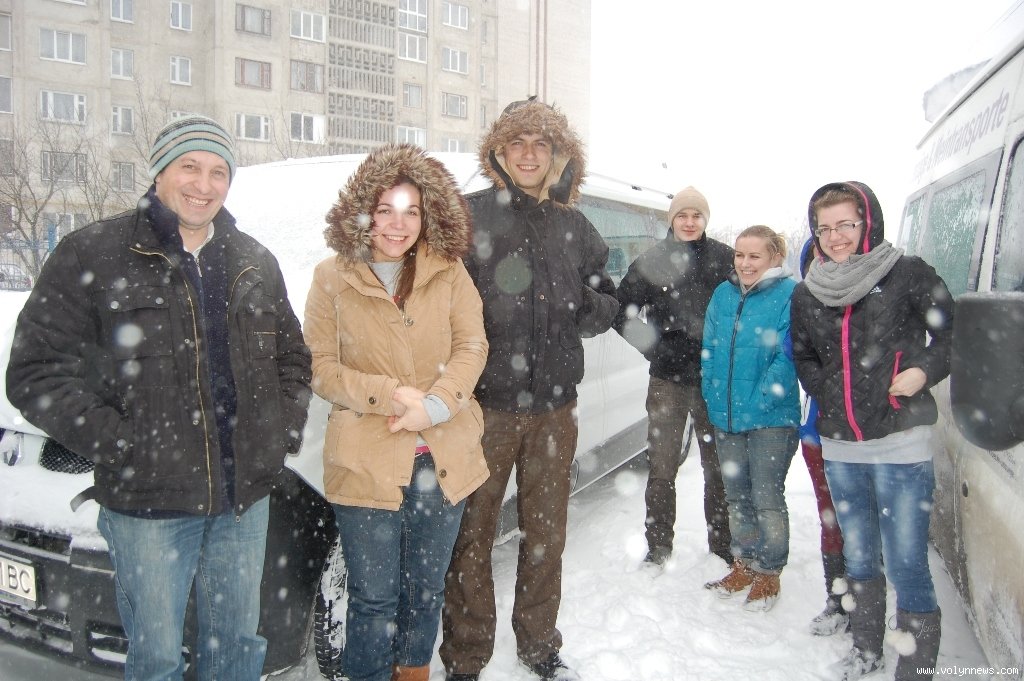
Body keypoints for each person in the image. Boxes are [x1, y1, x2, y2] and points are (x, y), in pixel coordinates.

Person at [6, 115, 313, 680]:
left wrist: (279, 431)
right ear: (159, 171)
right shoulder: (92, 254)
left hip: (241, 501)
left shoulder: (253, 260)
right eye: (189, 166)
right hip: (148, 504)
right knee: (156, 659)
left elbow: (292, 358)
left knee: (236, 648)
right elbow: (36, 373)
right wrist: (123, 445)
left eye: (219, 172)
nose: (204, 184)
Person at [440, 97, 618, 681]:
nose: (529, 154)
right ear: (498, 151)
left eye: (542, 144)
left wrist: (580, 306)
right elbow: (437, 297)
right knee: (472, 535)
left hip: (554, 410)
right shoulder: (468, 216)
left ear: (558, 155)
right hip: (483, 408)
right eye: (517, 143)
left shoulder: (575, 226)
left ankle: (540, 646)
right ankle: (465, 657)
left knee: (546, 533)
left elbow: (608, 296)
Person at [303, 144, 490, 681]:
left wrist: (434, 405)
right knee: (374, 598)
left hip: (442, 457)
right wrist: (389, 395)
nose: (398, 225)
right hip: (366, 459)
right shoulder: (331, 277)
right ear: (363, 212)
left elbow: (472, 346)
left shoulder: (449, 271)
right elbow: (320, 367)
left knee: (425, 591)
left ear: (428, 216)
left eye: (411, 211)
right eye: (385, 210)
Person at [791, 181, 953, 681]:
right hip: (841, 447)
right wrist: (828, 390)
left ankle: (915, 667)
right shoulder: (808, 291)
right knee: (859, 556)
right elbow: (804, 355)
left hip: (901, 442)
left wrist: (923, 370)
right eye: (824, 228)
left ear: (868, 224)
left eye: (846, 224)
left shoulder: (907, 273)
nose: (835, 236)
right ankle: (866, 649)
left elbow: (951, 331)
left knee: (906, 563)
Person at [613, 186, 734, 567]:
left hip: (714, 380)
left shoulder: (724, 259)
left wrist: (728, 349)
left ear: (705, 220)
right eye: (683, 215)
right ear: (672, 219)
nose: (689, 222)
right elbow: (621, 309)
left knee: (717, 467)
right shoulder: (653, 260)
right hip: (667, 379)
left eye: (697, 215)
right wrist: (654, 348)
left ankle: (722, 546)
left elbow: (744, 307)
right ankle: (659, 546)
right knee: (662, 466)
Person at [700, 225, 800, 611]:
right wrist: (712, 391)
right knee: (737, 496)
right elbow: (709, 347)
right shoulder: (723, 294)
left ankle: (769, 572)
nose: (744, 263)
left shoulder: (790, 295)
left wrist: (758, 401)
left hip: (771, 418)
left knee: (766, 497)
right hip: (726, 415)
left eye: (754, 255)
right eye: (739, 255)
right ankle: (743, 563)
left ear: (775, 257)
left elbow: (788, 357)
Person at [798, 239, 849, 636]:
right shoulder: (804, 305)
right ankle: (837, 599)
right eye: (816, 258)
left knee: (864, 521)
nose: (826, 261)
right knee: (830, 518)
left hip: (866, 434)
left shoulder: (865, 302)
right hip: (817, 432)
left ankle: (866, 602)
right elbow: (795, 352)